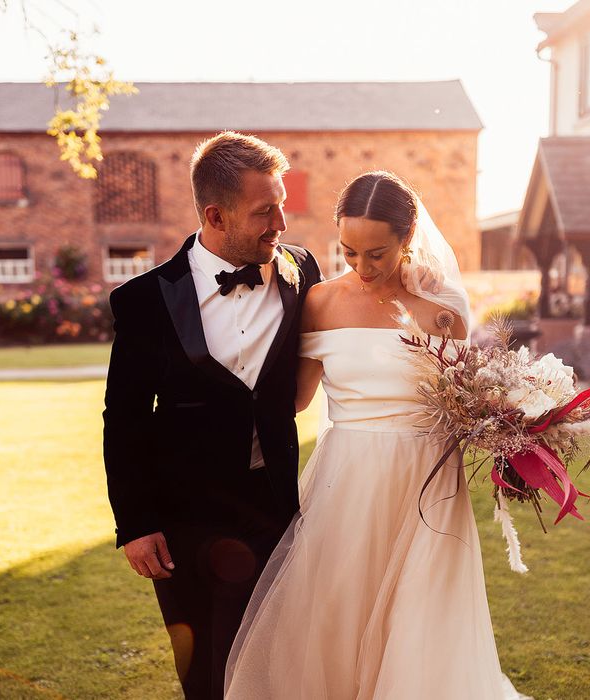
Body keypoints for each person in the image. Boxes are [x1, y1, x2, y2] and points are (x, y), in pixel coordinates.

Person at [224, 171, 533, 699]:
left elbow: (466, 401)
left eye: (377, 254)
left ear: (406, 240)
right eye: (349, 252)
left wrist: (505, 423)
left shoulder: (444, 309)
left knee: (422, 613)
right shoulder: (320, 302)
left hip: (429, 484)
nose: (362, 268)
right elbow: (295, 401)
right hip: (347, 479)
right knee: (340, 605)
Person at [102, 131, 323, 699]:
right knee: (205, 672)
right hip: (184, 520)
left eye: (282, 203)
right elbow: (123, 416)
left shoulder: (302, 272)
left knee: (274, 659)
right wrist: (136, 522)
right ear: (215, 215)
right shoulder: (144, 300)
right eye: (265, 210)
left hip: (272, 506)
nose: (281, 221)